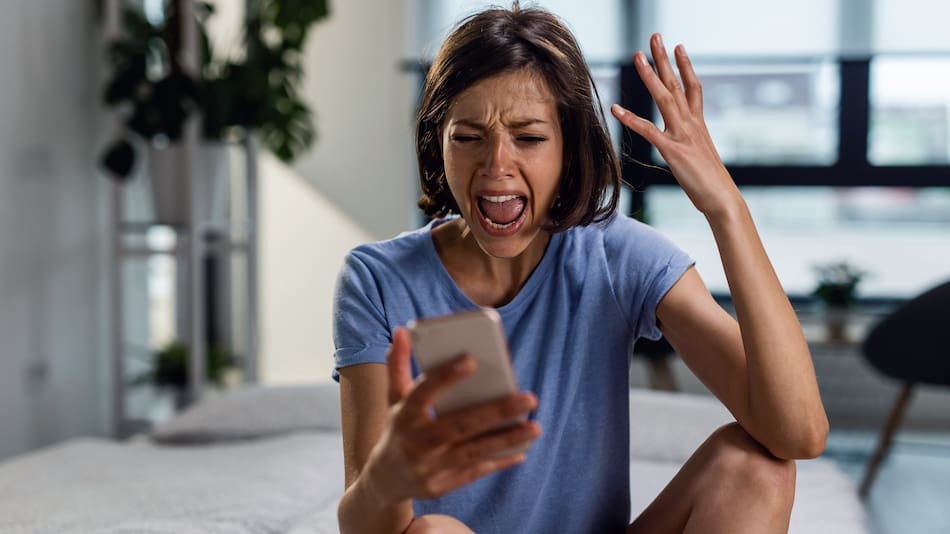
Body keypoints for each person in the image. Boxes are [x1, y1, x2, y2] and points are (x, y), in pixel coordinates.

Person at [333, 4, 828, 533]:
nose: (497, 164)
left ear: (569, 148)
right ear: (439, 142)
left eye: (529, 137)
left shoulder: (618, 257)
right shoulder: (378, 279)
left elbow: (797, 434)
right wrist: (388, 480)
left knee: (756, 468)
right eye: (469, 137)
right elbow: (365, 527)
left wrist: (726, 208)